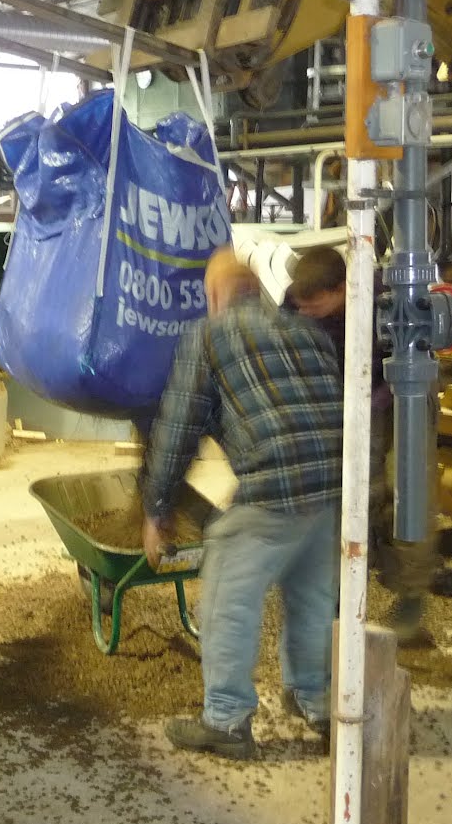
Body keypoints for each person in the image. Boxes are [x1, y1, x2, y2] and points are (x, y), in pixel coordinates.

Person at [143, 248, 344, 760]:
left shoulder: (208, 336)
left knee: (229, 598)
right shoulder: (308, 332)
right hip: (332, 486)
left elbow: (178, 425)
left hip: (273, 489)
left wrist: (156, 507)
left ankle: (227, 720)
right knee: (313, 598)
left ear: (214, 296)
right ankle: (315, 699)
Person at [286, 246, 436, 639]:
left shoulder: (389, 307)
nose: (306, 313)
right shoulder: (297, 300)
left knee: (403, 490)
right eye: (301, 306)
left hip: (400, 397)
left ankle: (410, 595)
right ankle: (338, 593)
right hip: (344, 396)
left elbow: (407, 367)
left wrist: (363, 406)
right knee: (343, 491)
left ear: (342, 289)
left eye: (314, 306)